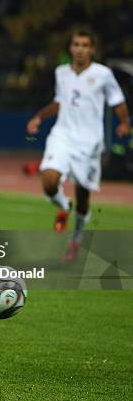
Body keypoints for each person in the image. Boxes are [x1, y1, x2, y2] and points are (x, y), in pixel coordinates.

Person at [26, 28, 130, 261]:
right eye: (76, 44)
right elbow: (59, 102)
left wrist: (124, 122)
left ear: (92, 49)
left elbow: (118, 100)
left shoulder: (102, 74)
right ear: (70, 48)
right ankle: (64, 206)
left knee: (83, 196)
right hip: (62, 135)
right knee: (49, 179)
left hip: (90, 143)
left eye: (85, 45)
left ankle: (76, 239)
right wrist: (39, 117)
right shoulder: (61, 72)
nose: (80, 49)